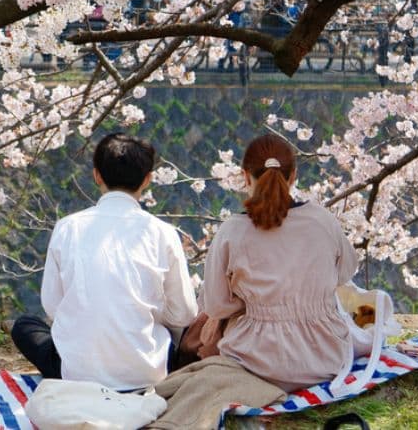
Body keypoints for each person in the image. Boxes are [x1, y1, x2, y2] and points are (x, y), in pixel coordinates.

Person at [149, 134, 358, 429]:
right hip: (325, 358)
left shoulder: (233, 231)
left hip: (258, 361)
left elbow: (218, 306)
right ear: (294, 175)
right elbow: (345, 272)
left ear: (245, 176)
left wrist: (251, 301)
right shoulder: (322, 220)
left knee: (207, 328)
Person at [11, 133, 198, 391]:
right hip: (148, 373)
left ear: (97, 175)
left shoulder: (68, 227)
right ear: (147, 180)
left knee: (24, 326)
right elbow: (185, 313)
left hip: (77, 374)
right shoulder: (163, 232)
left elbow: (53, 306)